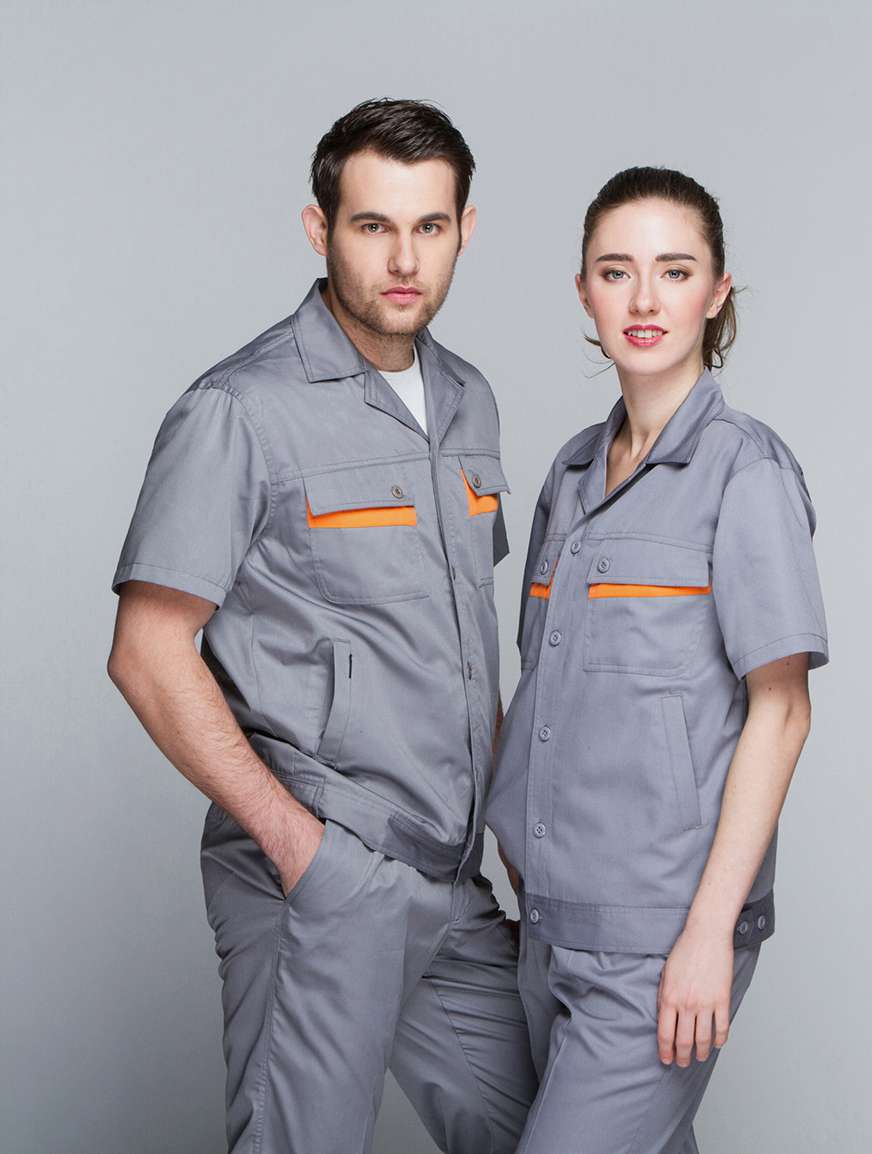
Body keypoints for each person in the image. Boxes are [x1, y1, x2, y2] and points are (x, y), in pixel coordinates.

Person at [107, 98, 536, 1154]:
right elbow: (147, 652)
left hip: (453, 884)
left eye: (429, 226)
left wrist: (519, 841)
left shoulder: (470, 402)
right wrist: (299, 848)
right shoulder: (240, 409)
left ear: (465, 231)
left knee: (561, 1130)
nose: (404, 259)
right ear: (319, 228)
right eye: (372, 225)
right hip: (323, 879)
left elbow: (464, 653)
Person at [486, 166, 828, 1153]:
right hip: (547, 922)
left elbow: (781, 711)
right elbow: (544, 689)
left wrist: (707, 935)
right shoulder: (567, 475)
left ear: (716, 291)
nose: (643, 299)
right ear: (583, 291)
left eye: (673, 271)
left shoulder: (745, 471)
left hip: (660, 936)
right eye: (616, 271)